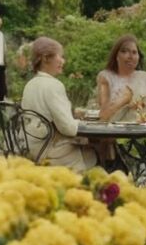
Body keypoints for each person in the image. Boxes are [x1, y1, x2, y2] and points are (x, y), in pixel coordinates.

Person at [19, 37, 97, 172]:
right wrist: (82, 122)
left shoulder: (30, 84)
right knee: (95, 152)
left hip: (28, 148)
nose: (63, 61)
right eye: (60, 57)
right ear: (45, 58)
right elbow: (68, 128)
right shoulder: (53, 85)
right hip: (48, 153)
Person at [96, 34, 146, 123]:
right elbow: (103, 116)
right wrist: (124, 100)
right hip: (114, 132)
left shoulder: (145, 77)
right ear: (116, 56)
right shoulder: (106, 77)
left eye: (134, 52)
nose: (130, 56)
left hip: (142, 132)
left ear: (139, 57)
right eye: (124, 51)